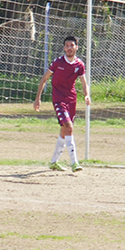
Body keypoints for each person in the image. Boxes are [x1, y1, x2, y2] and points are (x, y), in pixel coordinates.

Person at [33, 36, 90, 172]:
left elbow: (84, 82)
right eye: (66, 45)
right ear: (64, 48)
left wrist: (87, 95)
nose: (69, 48)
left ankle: (53, 162)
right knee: (69, 127)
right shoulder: (58, 62)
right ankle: (74, 162)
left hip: (72, 100)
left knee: (65, 131)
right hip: (59, 99)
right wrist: (37, 99)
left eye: (72, 45)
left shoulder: (79, 65)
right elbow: (44, 79)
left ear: (76, 47)